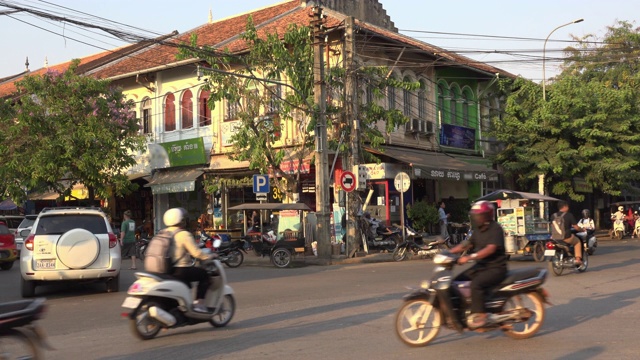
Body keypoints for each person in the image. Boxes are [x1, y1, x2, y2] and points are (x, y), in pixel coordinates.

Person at [449, 200, 507, 329]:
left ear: (486, 215)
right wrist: (449, 252)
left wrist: (470, 257)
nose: (476, 218)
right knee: (457, 281)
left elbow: (490, 249)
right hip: (481, 267)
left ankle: (480, 315)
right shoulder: (477, 230)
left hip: (496, 268)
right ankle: (465, 308)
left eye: (478, 215)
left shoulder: (495, 229)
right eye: (474, 215)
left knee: (476, 284)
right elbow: (467, 244)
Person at [163, 207, 216, 313]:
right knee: (204, 275)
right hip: (181, 269)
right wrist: (210, 256)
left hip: (166, 269)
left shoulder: (163, 232)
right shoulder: (183, 234)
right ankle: (199, 304)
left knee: (188, 284)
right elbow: (196, 253)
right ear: (181, 221)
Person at [553, 200, 583, 265]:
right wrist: (582, 229)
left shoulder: (553, 215)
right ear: (565, 207)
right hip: (566, 237)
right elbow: (576, 227)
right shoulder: (569, 215)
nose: (568, 208)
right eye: (567, 206)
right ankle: (578, 259)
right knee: (577, 241)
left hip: (555, 238)